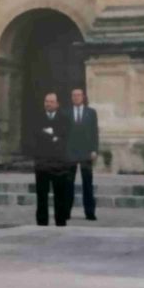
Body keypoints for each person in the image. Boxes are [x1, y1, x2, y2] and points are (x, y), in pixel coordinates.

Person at [33, 92, 71, 227]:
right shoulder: (37, 118)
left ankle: (60, 222)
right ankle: (42, 223)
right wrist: (54, 137)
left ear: (57, 104)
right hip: (42, 163)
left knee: (60, 196)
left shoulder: (65, 118)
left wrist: (49, 135)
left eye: (51, 101)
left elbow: (66, 139)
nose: (48, 104)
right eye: (46, 101)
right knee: (41, 196)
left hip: (59, 164)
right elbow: (35, 137)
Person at [65, 87, 99, 222]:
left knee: (87, 184)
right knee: (68, 184)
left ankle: (90, 212)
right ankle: (66, 211)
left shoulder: (91, 113)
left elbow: (95, 133)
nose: (76, 97)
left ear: (83, 97)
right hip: (70, 153)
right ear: (71, 97)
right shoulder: (66, 113)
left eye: (79, 95)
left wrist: (94, 150)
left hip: (86, 152)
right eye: (74, 95)